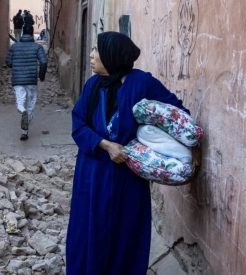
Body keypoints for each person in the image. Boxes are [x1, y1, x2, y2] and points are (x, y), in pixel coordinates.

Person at [66, 32, 197, 274]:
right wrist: (105, 144)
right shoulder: (93, 85)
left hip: (126, 179)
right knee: (89, 232)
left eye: (97, 50)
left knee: (125, 234)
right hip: (92, 175)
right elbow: (78, 125)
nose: (92, 55)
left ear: (112, 56)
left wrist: (146, 142)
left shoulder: (142, 83)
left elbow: (177, 115)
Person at [6, 26, 47, 140]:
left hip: (18, 80)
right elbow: (43, 62)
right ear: (32, 33)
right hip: (31, 80)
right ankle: (24, 131)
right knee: (30, 103)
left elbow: (8, 62)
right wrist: (41, 76)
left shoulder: (14, 47)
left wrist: (16, 64)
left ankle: (22, 111)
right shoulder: (37, 47)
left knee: (20, 102)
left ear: (23, 33)